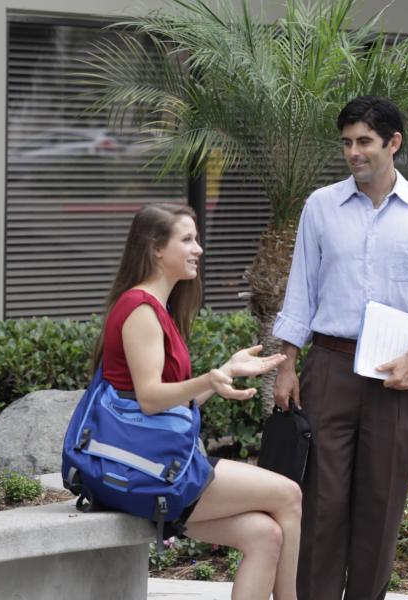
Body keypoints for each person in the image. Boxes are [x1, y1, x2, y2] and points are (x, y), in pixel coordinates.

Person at [272, 96, 408, 600]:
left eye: (364, 142)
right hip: (329, 368)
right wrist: (287, 365)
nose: (353, 152)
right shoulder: (321, 206)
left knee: (381, 506)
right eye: (346, 143)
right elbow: (300, 291)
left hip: (397, 375)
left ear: (393, 143)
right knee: (321, 504)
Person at [94, 203, 301, 600]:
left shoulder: (158, 309)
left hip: (161, 463)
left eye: (197, 239)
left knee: (265, 534)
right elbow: (151, 400)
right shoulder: (139, 310)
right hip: (151, 473)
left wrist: (225, 371)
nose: (198, 249)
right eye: (187, 240)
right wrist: (208, 378)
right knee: (289, 494)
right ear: (156, 249)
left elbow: (164, 409)